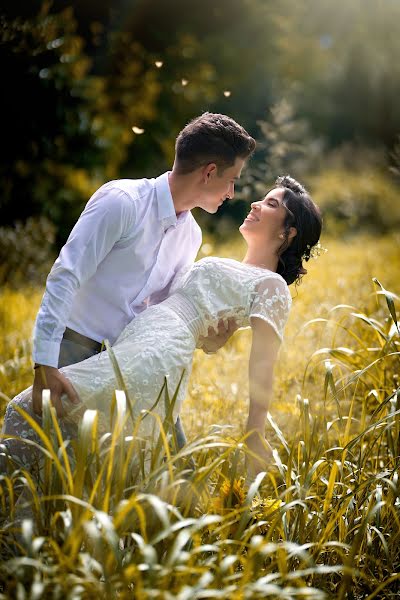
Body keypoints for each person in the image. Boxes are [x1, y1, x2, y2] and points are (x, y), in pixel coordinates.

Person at [1, 175, 322, 477]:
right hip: (141, 338)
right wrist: (210, 337)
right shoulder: (230, 265)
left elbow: (263, 363)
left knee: (27, 411)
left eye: (271, 204)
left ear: (288, 232)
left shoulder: (272, 285)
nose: (254, 204)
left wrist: (254, 432)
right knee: (85, 444)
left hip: (157, 351)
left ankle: (14, 526)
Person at [30, 112, 256, 448]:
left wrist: (207, 337)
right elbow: (66, 275)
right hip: (73, 350)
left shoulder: (190, 236)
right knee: (53, 460)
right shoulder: (122, 202)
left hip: (131, 362)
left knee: (173, 461)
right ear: (209, 172)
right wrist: (45, 363)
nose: (233, 192)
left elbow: (165, 314)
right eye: (232, 180)